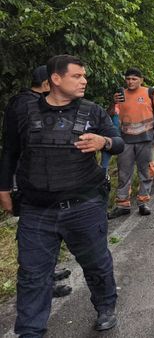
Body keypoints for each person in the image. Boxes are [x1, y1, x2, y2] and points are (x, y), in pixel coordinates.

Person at [0, 55, 123, 335]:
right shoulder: (23, 111)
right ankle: (30, 331)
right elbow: (9, 151)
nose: (84, 81)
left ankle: (105, 306)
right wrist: (4, 188)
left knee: (96, 263)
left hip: (84, 206)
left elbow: (119, 143)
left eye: (84, 76)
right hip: (36, 209)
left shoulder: (92, 112)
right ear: (56, 79)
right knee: (32, 275)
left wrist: (103, 142)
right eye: (77, 76)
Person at [0, 65, 74, 299]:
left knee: (46, 231)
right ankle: (44, 284)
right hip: (32, 179)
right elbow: (13, 148)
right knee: (39, 233)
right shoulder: (28, 105)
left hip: (38, 178)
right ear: (46, 84)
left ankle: (49, 273)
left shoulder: (21, 101)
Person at [108, 68, 154, 218]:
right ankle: (122, 204)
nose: (130, 81)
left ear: (141, 80)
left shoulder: (150, 93)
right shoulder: (120, 95)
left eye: (134, 79)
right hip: (126, 141)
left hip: (146, 139)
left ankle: (143, 203)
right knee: (124, 173)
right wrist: (114, 103)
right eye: (128, 79)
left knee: (146, 172)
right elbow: (111, 114)